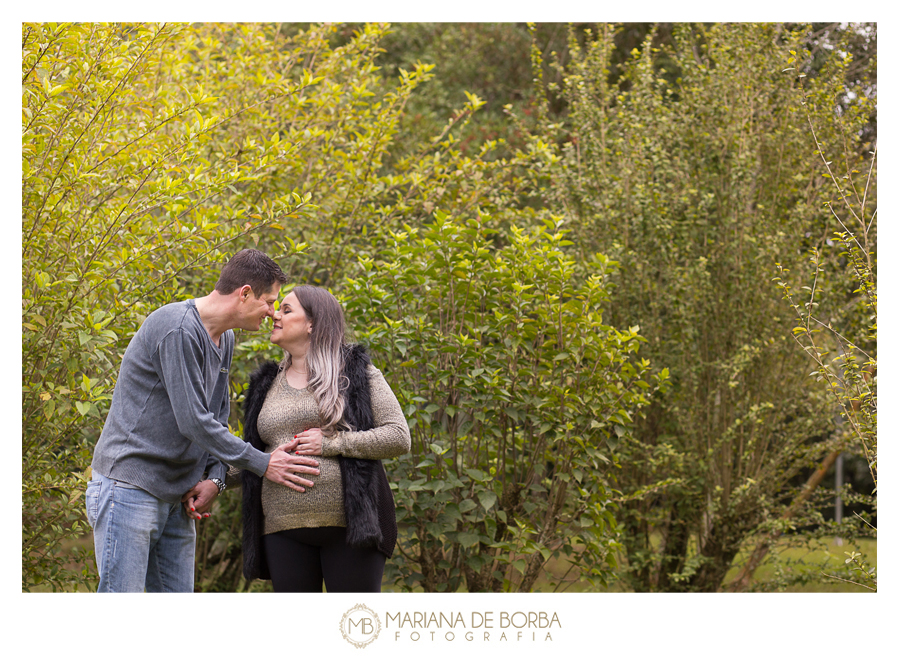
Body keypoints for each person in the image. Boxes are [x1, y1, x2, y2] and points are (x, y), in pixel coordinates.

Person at [85, 249, 321, 593]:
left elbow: (215, 416)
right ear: (244, 293)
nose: (272, 313)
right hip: (129, 489)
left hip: (177, 498)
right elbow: (193, 421)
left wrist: (216, 478)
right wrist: (264, 463)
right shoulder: (177, 328)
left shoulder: (224, 339)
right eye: (269, 302)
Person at [237, 284, 410, 592]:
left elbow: (398, 436)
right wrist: (214, 482)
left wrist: (332, 444)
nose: (274, 315)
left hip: (351, 529)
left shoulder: (356, 372)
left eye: (287, 310)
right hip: (281, 530)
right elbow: (253, 455)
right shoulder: (264, 383)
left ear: (313, 323)